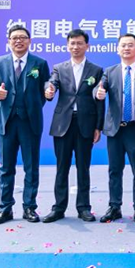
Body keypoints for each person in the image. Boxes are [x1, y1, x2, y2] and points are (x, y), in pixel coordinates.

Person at [0, 24, 52, 226]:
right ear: (8, 42)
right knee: (6, 167)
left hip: (30, 122)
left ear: (29, 41)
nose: (18, 41)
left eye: (22, 37)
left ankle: (29, 207)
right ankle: (5, 209)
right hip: (6, 121)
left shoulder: (39, 63)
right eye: (14, 38)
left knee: (31, 167)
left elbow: (46, 85)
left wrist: (48, 92)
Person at [42, 29, 104, 223]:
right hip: (63, 124)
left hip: (85, 123)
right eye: (72, 43)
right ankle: (58, 208)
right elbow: (51, 83)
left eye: (79, 43)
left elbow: (99, 99)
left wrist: (98, 127)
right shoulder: (59, 68)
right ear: (67, 46)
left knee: (83, 168)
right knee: (62, 167)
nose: (75, 47)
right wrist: (49, 90)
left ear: (87, 46)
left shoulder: (96, 70)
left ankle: (84, 208)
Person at [96, 33, 135, 223]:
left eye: (130, 45)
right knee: (114, 170)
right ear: (117, 49)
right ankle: (114, 207)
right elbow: (99, 89)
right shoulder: (109, 72)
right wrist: (98, 92)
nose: (126, 48)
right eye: (123, 45)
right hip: (115, 130)